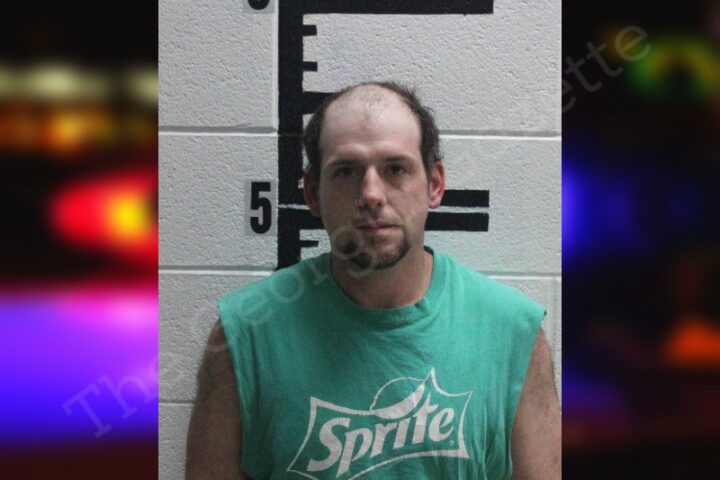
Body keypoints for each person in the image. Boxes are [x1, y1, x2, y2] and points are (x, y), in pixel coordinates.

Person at [185, 82, 560, 479]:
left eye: (395, 169)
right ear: (312, 193)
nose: (371, 194)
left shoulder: (511, 334)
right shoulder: (245, 335)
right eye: (346, 171)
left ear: (434, 185)